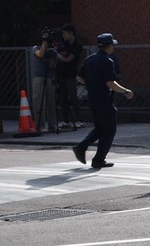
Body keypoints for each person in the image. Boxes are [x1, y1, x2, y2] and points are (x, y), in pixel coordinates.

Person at [73, 33, 133, 170]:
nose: (113, 48)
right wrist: (126, 91)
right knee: (109, 130)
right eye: (113, 45)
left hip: (93, 98)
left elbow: (79, 77)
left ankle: (81, 148)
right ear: (109, 46)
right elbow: (110, 83)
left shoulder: (90, 59)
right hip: (104, 99)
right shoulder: (107, 61)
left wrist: (91, 84)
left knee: (100, 128)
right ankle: (98, 159)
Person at [52, 25, 82, 131]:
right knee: (63, 97)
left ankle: (79, 120)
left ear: (71, 33)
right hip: (61, 73)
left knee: (73, 96)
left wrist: (56, 55)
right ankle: (66, 120)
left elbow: (68, 59)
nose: (63, 35)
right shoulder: (62, 44)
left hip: (71, 74)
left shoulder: (77, 45)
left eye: (65, 33)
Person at [29, 30, 58, 134]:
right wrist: (44, 42)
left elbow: (54, 65)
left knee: (51, 102)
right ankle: (39, 125)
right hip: (39, 77)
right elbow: (40, 54)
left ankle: (53, 125)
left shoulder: (53, 51)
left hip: (50, 77)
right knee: (39, 101)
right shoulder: (35, 48)